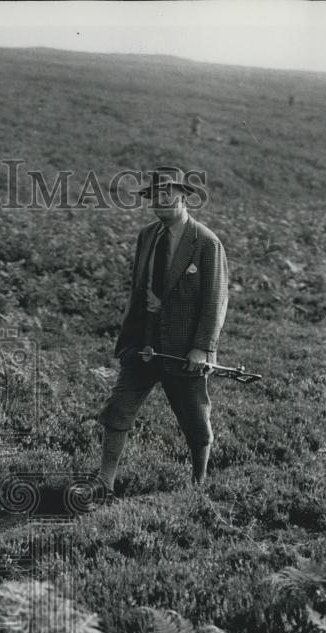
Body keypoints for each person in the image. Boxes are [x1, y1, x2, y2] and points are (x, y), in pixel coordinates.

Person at [94, 166, 228, 493]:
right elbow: (139, 289)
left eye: (168, 193)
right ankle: (104, 482)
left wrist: (202, 348)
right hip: (143, 346)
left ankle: (199, 482)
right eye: (155, 194)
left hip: (183, 350)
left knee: (195, 420)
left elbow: (215, 299)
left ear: (183, 196)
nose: (161, 199)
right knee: (117, 410)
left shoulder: (206, 242)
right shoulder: (147, 236)